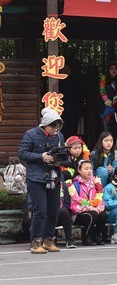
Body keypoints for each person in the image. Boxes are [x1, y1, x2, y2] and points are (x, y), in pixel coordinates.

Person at [18, 107, 65, 254]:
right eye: (52, 126)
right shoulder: (31, 134)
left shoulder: (59, 137)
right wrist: (41, 156)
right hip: (36, 177)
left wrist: (59, 161)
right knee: (40, 211)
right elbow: (22, 154)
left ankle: (49, 240)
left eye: (57, 126)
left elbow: (63, 154)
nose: (55, 129)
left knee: (54, 211)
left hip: (54, 176)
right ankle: (35, 242)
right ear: (45, 124)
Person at [68, 160, 108, 246]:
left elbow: (100, 198)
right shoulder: (74, 185)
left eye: (90, 168)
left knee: (103, 214)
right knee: (92, 214)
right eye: (86, 169)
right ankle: (86, 238)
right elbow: (73, 206)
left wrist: (100, 208)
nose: (89, 171)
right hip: (79, 214)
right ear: (79, 170)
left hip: (94, 210)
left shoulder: (96, 183)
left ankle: (97, 237)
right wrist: (90, 208)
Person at [98, 61, 117, 137]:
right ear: (108, 70)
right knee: (107, 127)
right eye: (111, 69)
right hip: (107, 107)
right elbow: (102, 93)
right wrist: (107, 101)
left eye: (115, 69)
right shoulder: (104, 80)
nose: (114, 70)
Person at [57, 180, 76, 249]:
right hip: (46, 213)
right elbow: (31, 204)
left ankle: (69, 239)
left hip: (60, 214)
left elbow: (66, 203)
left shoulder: (63, 185)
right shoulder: (38, 185)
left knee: (64, 211)